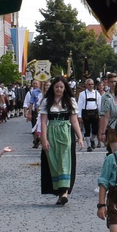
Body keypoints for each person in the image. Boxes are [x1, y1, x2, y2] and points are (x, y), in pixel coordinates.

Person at [38, 76, 79, 206]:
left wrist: (80, 137)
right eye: (57, 87)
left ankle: (64, 191)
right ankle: (59, 191)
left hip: (66, 132)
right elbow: (44, 121)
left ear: (65, 88)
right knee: (54, 161)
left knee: (65, 160)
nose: (59, 89)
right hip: (52, 132)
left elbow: (74, 120)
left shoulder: (70, 101)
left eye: (61, 87)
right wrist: (43, 138)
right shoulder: (47, 101)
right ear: (53, 88)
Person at [76, 78, 103, 151]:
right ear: (86, 85)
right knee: (86, 129)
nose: (91, 86)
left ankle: (92, 139)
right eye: (89, 84)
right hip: (86, 113)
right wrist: (79, 116)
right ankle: (88, 146)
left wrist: (100, 114)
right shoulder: (82, 94)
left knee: (95, 130)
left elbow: (99, 104)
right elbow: (80, 105)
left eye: (92, 84)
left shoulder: (97, 93)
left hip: (95, 113)